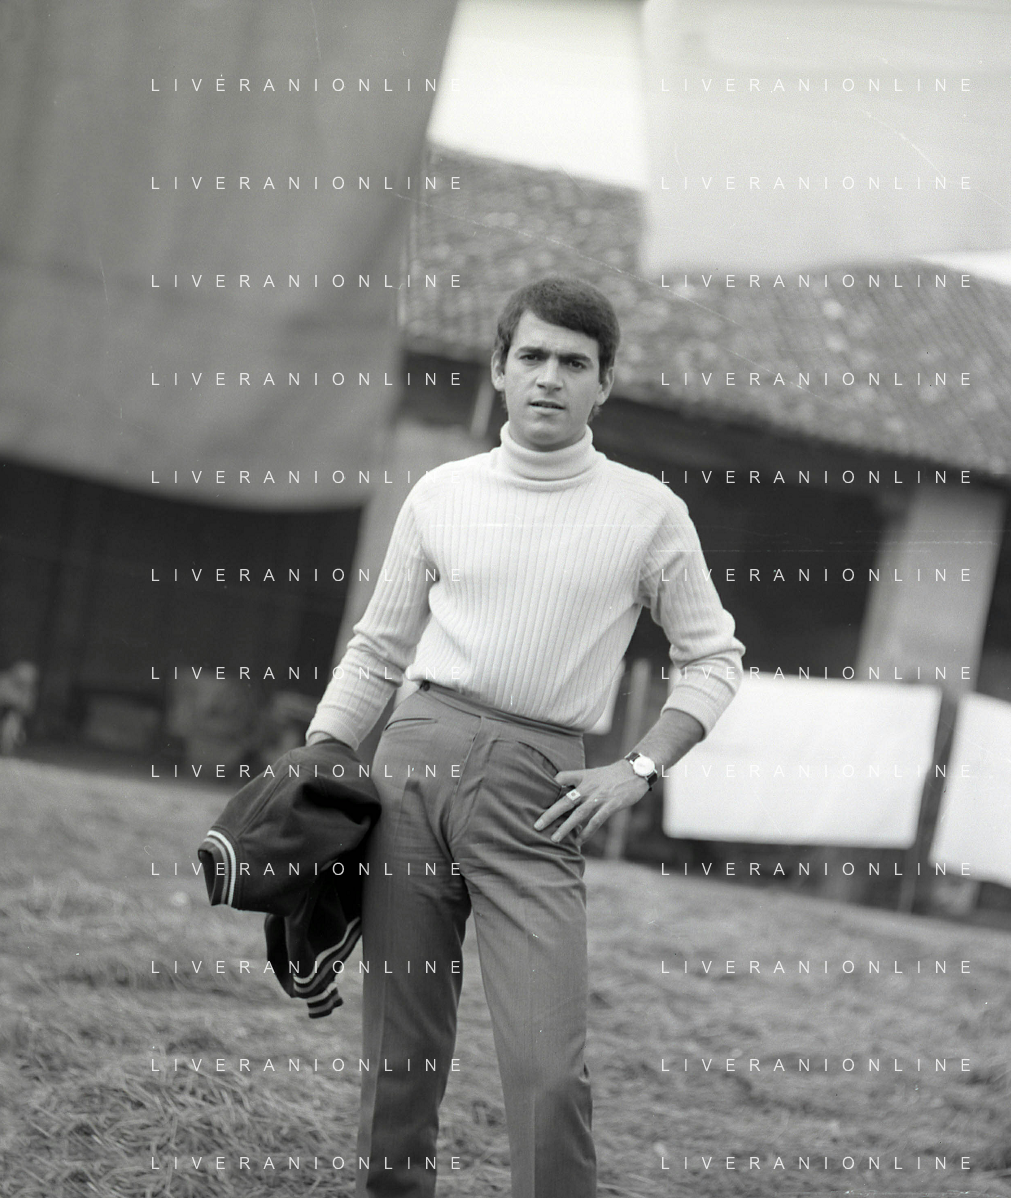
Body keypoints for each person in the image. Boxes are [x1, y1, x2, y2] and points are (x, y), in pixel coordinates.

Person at [306, 275, 744, 1198]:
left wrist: (639, 767)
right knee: (398, 1055)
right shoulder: (440, 493)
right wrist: (320, 756)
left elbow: (712, 658)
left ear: (604, 384)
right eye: (532, 356)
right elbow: (378, 649)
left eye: (573, 363)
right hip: (409, 770)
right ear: (499, 368)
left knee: (548, 1071)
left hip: (539, 796)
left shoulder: (648, 512)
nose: (550, 377)